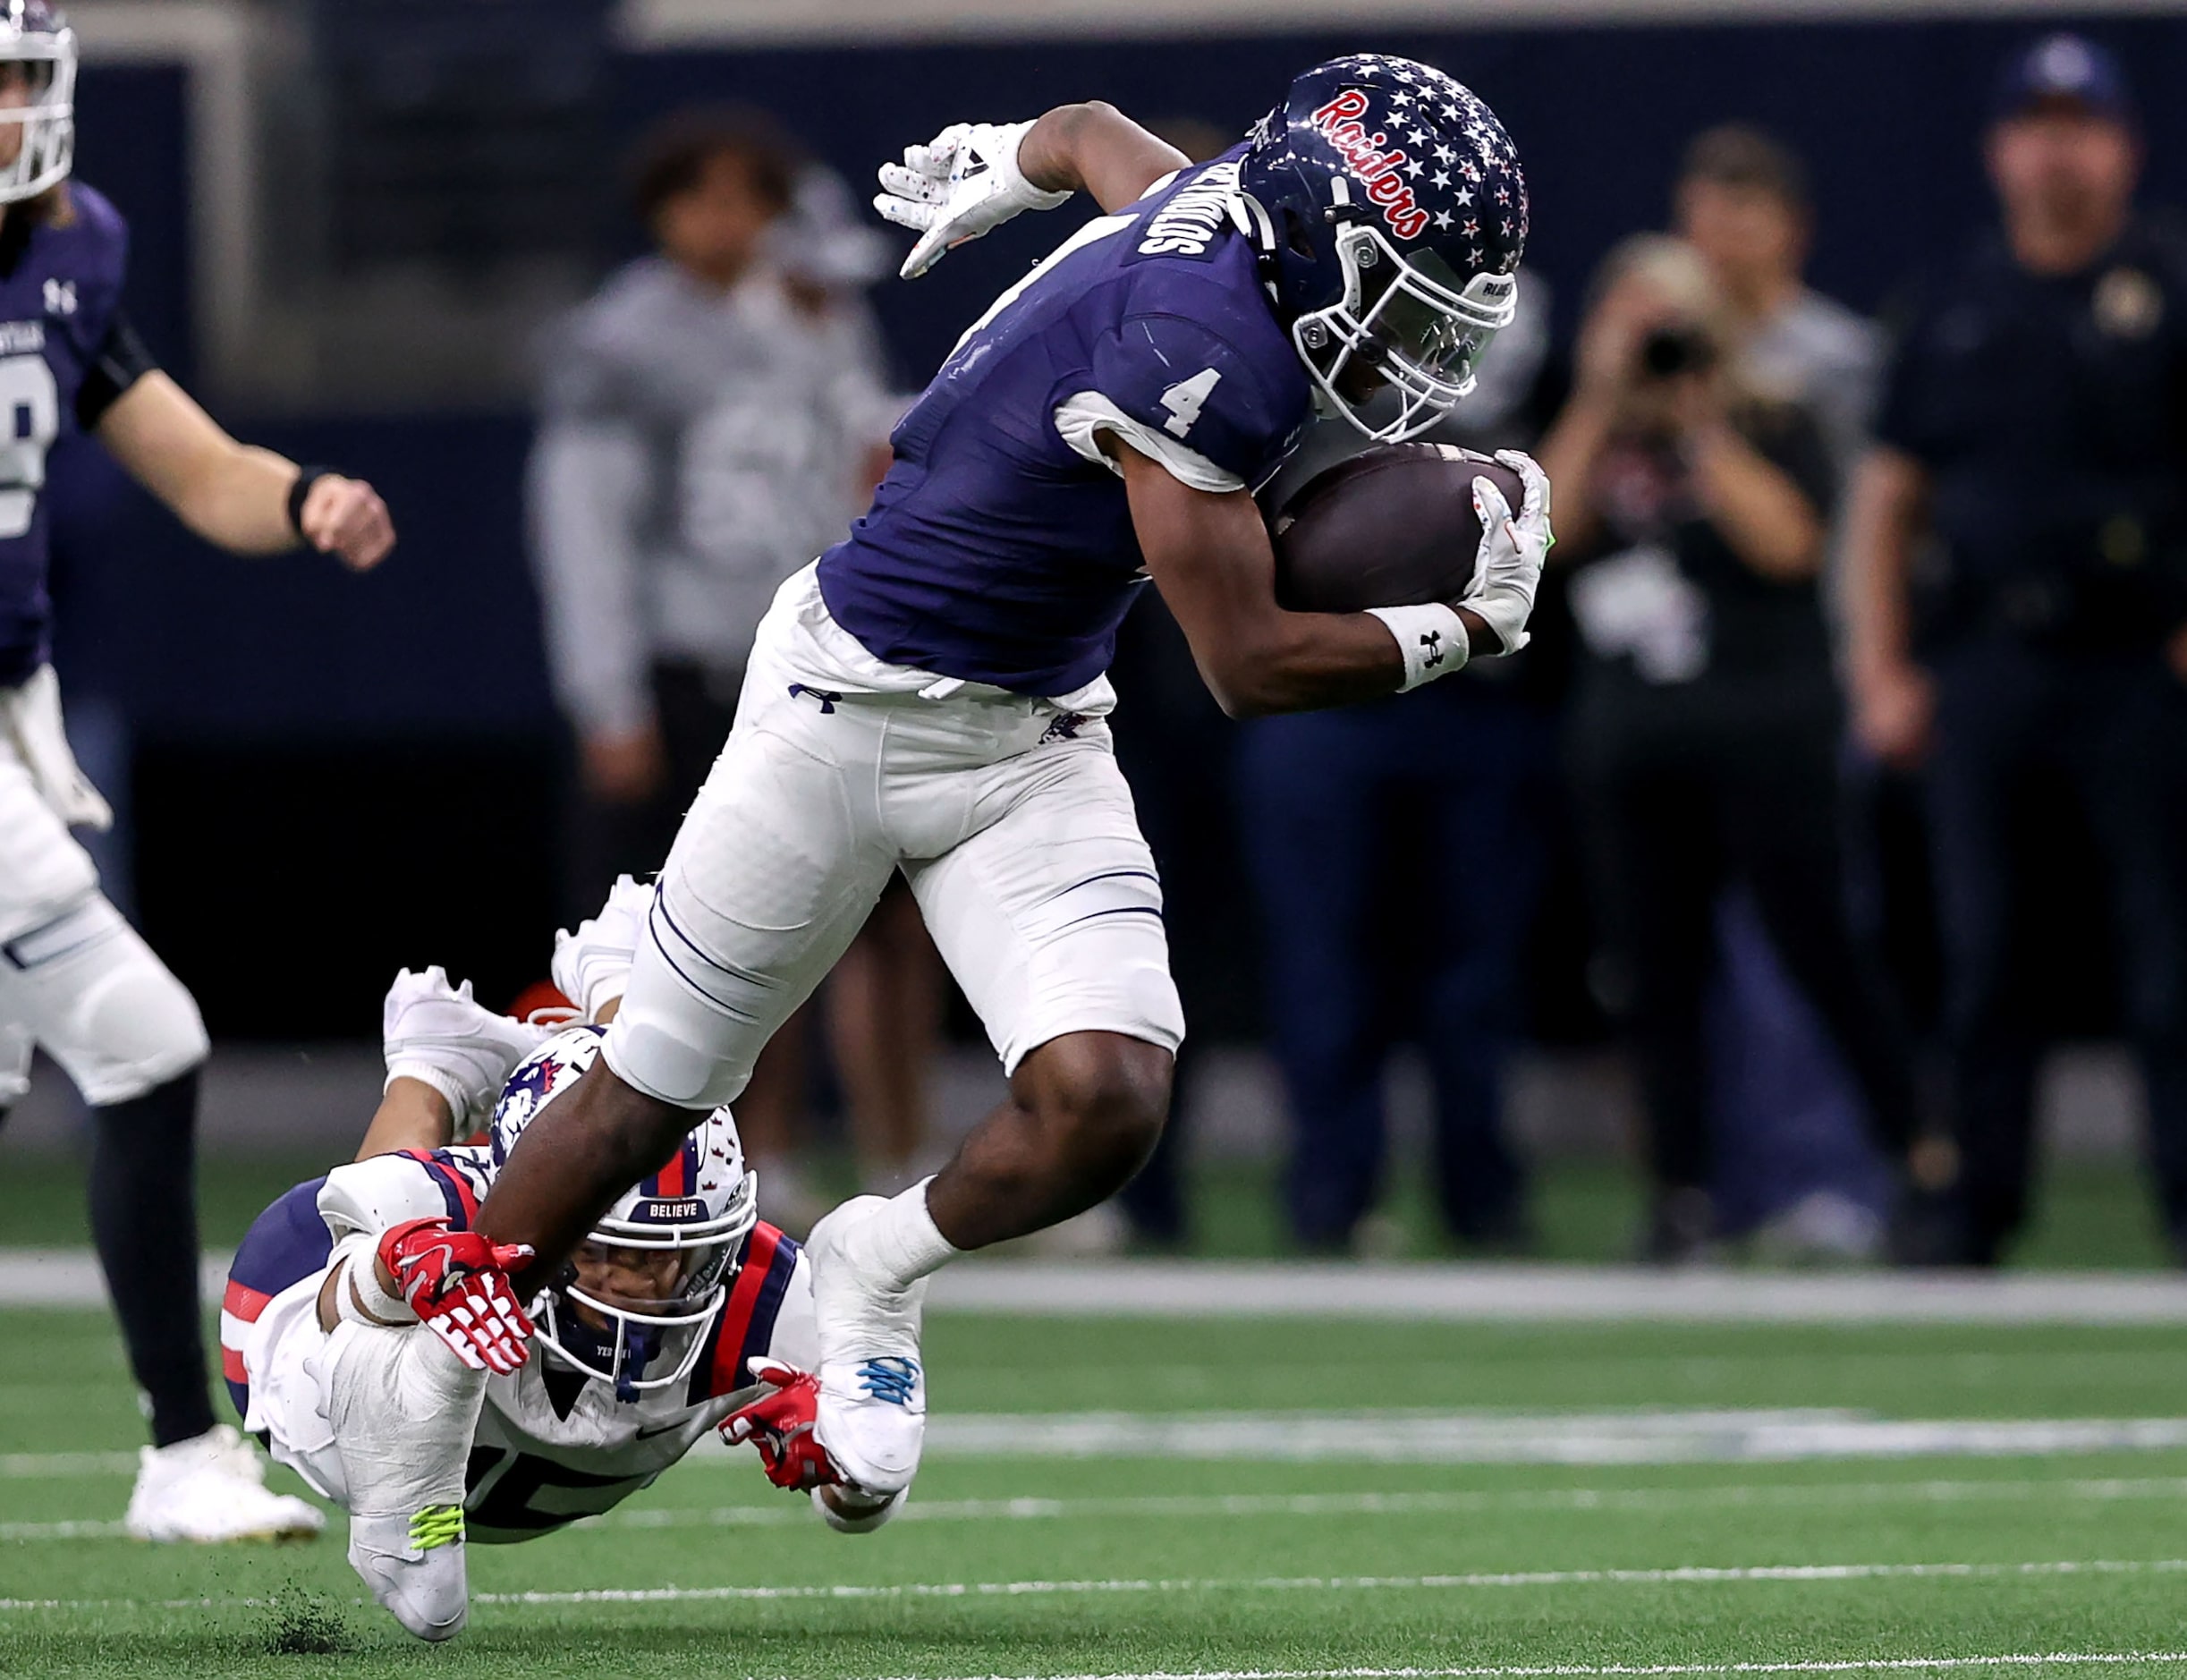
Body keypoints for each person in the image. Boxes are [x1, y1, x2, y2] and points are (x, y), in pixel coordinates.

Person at [468, 54, 1552, 1505]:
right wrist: (1458, 626)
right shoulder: (1201, 343)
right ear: (1327, 237)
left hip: (1027, 727)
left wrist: (1011, 159)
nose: (1417, 347)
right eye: (1407, 293)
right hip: (847, 700)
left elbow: (1100, 136)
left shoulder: (1233, 209)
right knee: (647, 1093)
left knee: (1105, 1095)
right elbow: (1246, 663)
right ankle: (419, 1370)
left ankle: (867, 1260)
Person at [0, 0, 394, 1540]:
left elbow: (198, 464)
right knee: (143, 1034)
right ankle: (180, 1452)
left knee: (140, 1045)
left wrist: (303, 499)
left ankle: (181, 1453)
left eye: (21, 77)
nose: (8, 109)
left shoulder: (73, 244)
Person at [221, 928, 899, 1643]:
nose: (628, 1282)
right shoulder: (452, 1206)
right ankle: (433, 1071)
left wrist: (840, 1451)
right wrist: (398, 1267)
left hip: (506, 1436)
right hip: (299, 1322)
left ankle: (608, 1005)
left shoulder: (770, 1293)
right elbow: (337, 1294)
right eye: (601, 1247)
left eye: (659, 1257)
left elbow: (867, 1491)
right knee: (438, 1286)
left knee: (632, 1124)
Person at [530, 107, 937, 1219]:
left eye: (747, 200)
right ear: (661, 211)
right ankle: (744, 1169)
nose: (727, 223)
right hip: (694, 661)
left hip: (825, 659)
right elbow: (585, 525)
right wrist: (606, 694)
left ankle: (896, 1163)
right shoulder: (622, 338)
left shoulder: (816, 319)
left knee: (869, 923)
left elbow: (869, 470)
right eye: (702, 198)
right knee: (727, 928)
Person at [1845, 34, 2187, 1265]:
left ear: (2122, 144)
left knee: (2170, 960)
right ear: (1998, 149)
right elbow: (1886, 502)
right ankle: (1974, 1202)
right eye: (2036, 124)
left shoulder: (2169, 283)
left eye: (2079, 124)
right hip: (1987, 663)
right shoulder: (1952, 304)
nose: (2058, 149)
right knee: (1986, 954)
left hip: (2143, 666)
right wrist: (1880, 667)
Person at [1539, 234, 1920, 1262]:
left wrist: (1699, 420)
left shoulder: (1772, 417)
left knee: (1818, 950)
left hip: (1764, 733)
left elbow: (1789, 543)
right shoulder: (1591, 433)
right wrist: (1599, 396)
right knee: (1652, 975)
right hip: (1632, 744)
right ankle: (1684, 1193)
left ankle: (1920, 1160)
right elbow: (1542, 542)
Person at [1235, 280, 1556, 1254]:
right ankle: (1330, 1197)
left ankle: (1483, 1197)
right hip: (1326, 683)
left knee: (1476, 972)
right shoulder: (1275, 305)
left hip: (1475, 693)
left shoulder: (1517, 310)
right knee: (1323, 963)